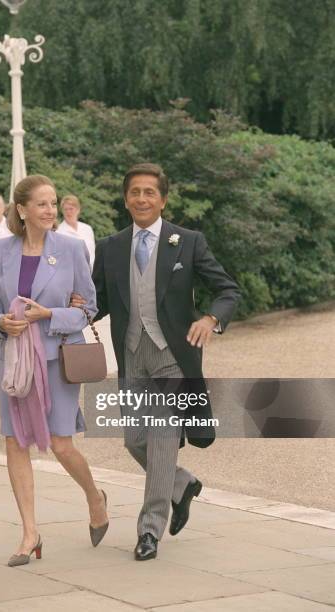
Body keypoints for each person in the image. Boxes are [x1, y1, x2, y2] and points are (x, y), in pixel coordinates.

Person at [72, 163, 240, 561]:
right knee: (135, 440)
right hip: (132, 358)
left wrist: (210, 318)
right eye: (135, 192)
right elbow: (97, 303)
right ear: (126, 198)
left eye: (150, 192)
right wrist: (75, 308)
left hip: (172, 359)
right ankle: (181, 484)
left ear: (163, 199)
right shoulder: (112, 247)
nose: (142, 199)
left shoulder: (188, 241)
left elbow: (227, 289)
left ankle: (149, 532)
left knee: (163, 442)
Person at [0, 175, 109, 567]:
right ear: (21, 209)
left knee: (60, 443)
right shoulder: (0, 251)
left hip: (58, 358)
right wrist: (2, 323)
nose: (51, 210)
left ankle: (94, 496)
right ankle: (30, 534)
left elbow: (87, 308)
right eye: (41, 204)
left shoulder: (71, 249)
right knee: (14, 442)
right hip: (15, 362)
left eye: (53, 203)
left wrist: (50, 314)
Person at [56, 194, 96, 269]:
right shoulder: (58, 232)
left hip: (91, 274)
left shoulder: (88, 229)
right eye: (65, 209)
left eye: (71, 209)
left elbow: (93, 253)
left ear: (78, 210)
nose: (68, 212)